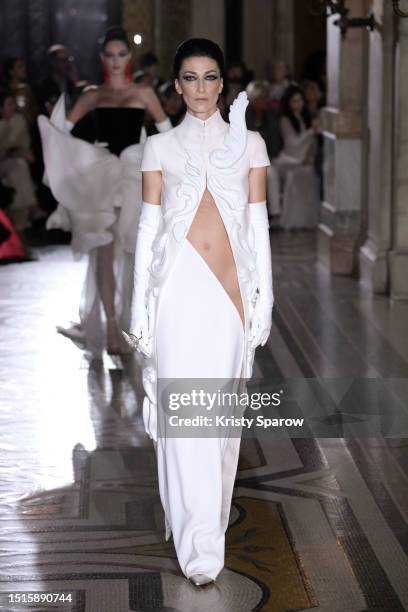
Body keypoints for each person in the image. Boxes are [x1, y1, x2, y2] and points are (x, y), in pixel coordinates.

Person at [123, 38, 273, 585]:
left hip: (231, 294)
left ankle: (206, 527)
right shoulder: (159, 148)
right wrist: (140, 307)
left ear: (223, 84)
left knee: (218, 422)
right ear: (177, 84)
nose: (202, 88)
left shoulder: (250, 144)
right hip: (176, 292)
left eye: (211, 78)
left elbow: (258, 227)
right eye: (190, 78)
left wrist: (266, 299)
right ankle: (199, 547)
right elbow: (147, 229)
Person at [38, 26, 171, 356]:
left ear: (129, 57)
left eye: (121, 54)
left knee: (136, 252)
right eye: (110, 55)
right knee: (105, 250)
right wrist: (74, 161)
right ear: (102, 57)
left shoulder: (144, 93)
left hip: (134, 175)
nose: (115, 61)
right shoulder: (92, 95)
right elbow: (59, 132)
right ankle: (112, 326)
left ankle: (134, 325)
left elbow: (168, 135)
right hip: (102, 177)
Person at [273, 85, 321, 230]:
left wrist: (309, 157)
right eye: (294, 101)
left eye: (300, 100)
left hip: (304, 158)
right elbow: (292, 144)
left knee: (309, 172)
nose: (298, 104)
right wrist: (311, 132)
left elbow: (312, 145)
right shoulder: (285, 120)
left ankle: (307, 218)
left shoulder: (305, 118)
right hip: (289, 158)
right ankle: (293, 219)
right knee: (296, 173)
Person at [0, 90, 39, 232]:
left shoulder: (18, 120)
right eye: (9, 104)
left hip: (15, 161)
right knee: (18, 165)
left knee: (19, 166)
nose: (13, 107)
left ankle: (20, 219)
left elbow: (18, 143)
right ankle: (32, 208)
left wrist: (12, 151)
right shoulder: (2, 124)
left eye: (13, 103)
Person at [246, 80, 283, 218]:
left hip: (268, 157)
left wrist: (270, 155)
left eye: (265, 97)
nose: (264, 100)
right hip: (247, 159)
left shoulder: (271, 116)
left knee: (271, 174)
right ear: (253, 98)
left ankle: (274, 213)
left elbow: (276, 140)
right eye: (261, 97)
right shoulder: (242, 116)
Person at [2, 57, 39, 125]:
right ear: (11, 71)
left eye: (24, 66)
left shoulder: (28, 89)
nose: (24, 69)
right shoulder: (4, 92)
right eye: (20, 67)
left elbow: (34, 114)